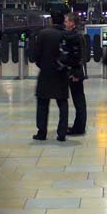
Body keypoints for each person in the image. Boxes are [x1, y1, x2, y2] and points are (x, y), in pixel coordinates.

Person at [32, 12, 70, 141]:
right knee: (63, 103)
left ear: (52, 20)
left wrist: (41, 64)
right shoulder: (66, 34)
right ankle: (62, 133)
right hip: (61, 73)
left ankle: (42, 132)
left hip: (46, 73)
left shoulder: (44, 33)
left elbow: (36, 54)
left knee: (42, 103)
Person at [64, 13, 88, 136]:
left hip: (76, 74)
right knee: (79, 101)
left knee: (79, 101)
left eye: (67, 21)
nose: (65, 23)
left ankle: (79, 128)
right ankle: (79, 126)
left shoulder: (75, 37)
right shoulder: (77, 35)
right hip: (76, 72)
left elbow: (80, 56)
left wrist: (76, 73)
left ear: (72, 23)